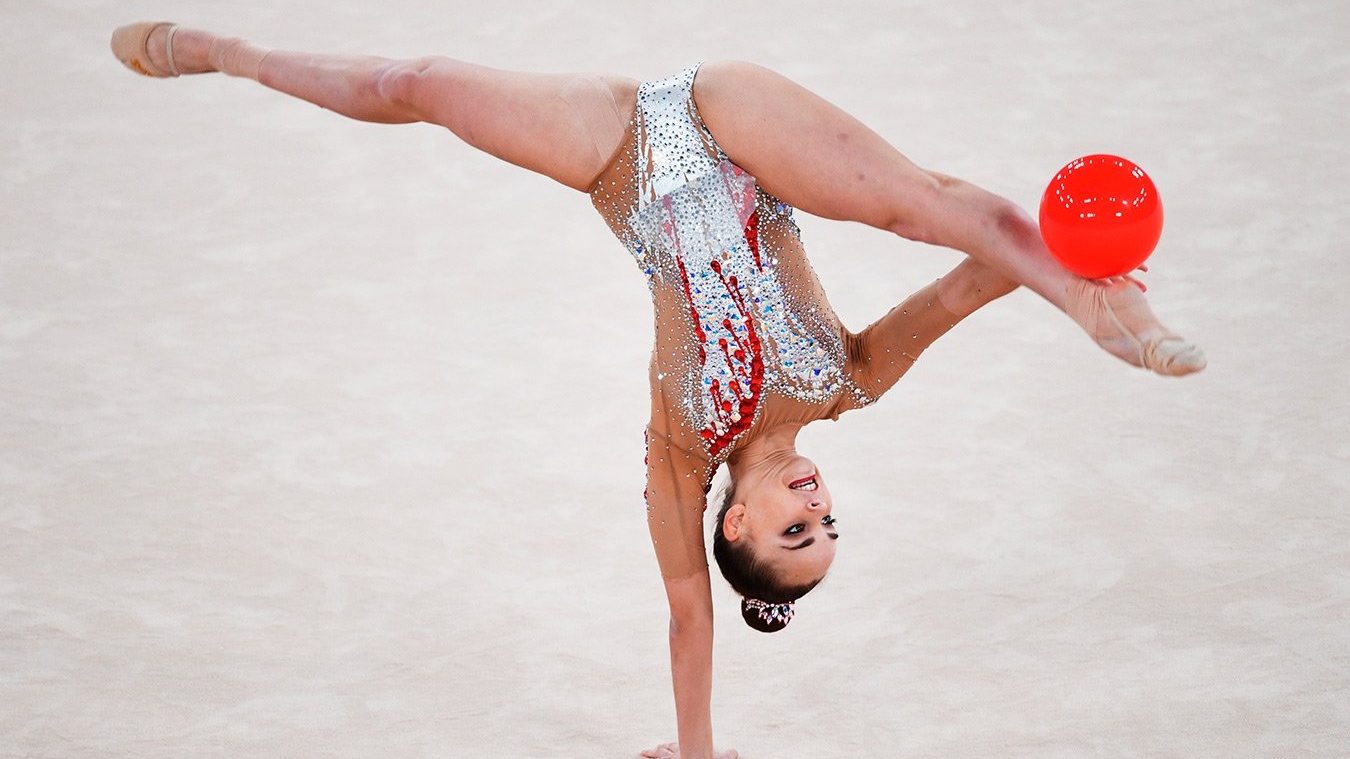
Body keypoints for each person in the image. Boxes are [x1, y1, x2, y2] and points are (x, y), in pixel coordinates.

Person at [111, 22, 1206, 759]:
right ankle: (1108, 308)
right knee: (922, 207)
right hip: (740, 129)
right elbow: (971, 285)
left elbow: (690, 614)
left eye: (795, 528)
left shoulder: (680, 457)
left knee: (418, 87)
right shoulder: (850, 383)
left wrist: (696, 752)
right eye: (831, 522)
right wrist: (1071, 266)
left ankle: (224, 54)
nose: (818, 502)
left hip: (623, 157)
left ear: (737, 521)